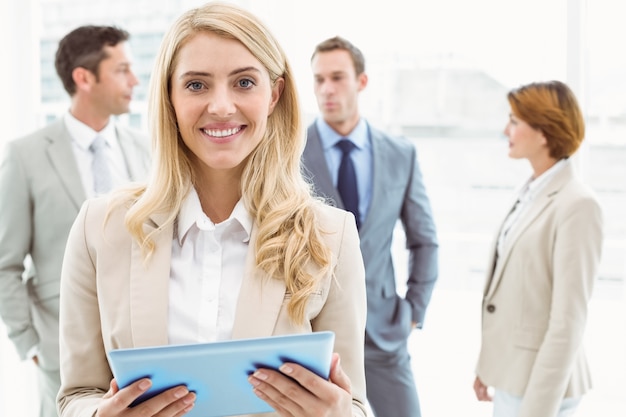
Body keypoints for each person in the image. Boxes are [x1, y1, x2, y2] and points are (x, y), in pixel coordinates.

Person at [56, 3, 369, 417]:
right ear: (169, 94)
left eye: (243, 82)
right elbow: (76, 393)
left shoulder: (331, 236)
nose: (221, 107)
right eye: (197, 85)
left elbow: (356, 403)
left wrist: (339, 414)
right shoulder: (100, 229)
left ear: (273, 94)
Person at [0, 25, 150, 417]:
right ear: (84, 78)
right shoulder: (25, 156)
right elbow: (5, 264)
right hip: (59, 351)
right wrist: (30, 344)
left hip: (141, 348)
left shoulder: (147, 151)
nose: (134, 80)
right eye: (121, 70)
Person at [302, 36, 439, 417]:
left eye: (337, 78)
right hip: (313, 334)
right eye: (318, 80)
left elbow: (424, 240)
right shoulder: (290, 151)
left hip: (384, 332)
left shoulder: (400, 153)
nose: (326, 89)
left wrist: (413, 310)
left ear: (362, 82)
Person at [473, 80, 604, 417]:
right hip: (514, 379)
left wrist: (538, 409)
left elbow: (568, 321)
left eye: (515, 121)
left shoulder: (578, 205)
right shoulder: (531, 192)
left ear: (544, 132)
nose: (507, 130)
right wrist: (490, 367)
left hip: (541, 389)